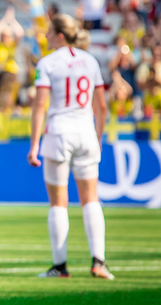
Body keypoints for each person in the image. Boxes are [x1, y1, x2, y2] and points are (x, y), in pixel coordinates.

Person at [28, 15, 113, 280]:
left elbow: (40, 106)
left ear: (60, 36)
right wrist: (98, 138)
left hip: (59, 134)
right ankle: (99, 262)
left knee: (58, 203)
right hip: (86, 132)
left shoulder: (47, 63)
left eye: (50, 32)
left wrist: (34, 145)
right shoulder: (90, 60)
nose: (46, 36)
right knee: (90, 198)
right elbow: (101, 107)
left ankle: (60, 266)